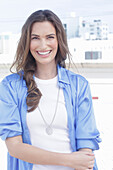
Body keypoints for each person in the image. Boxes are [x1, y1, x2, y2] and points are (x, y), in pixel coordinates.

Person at [0, 10, 101, 170]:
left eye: (49, 37)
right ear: (27, 42)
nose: (43, 45)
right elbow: (15, 147)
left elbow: (86, 146)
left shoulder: (79, 85)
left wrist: (77, 162)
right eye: (35, 38)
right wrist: (68, 160)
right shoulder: (10, 87)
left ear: (59, 40)